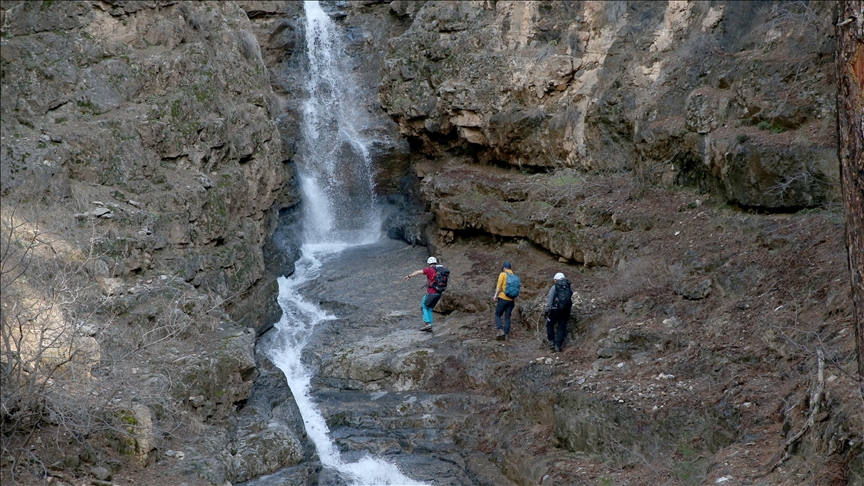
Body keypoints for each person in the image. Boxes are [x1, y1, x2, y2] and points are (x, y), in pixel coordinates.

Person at [403, 256, 448, 332]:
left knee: (423, 307)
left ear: (428, 263)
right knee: (429, 308)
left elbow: (418, 272)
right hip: (439, 293)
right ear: (435, 263)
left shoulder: (429, 270)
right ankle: (430, 325)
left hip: (431, 293)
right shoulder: (441, 270)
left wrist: (409, 276)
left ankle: (427, 324)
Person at [545, 272, 573, 352]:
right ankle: (558, 346)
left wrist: (547, 309)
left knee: (549, 324)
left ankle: (551, 342)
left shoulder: (555, 287)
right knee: (561, 328)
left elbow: (550, 299)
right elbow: (571, 295)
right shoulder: (568, 286)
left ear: (556, 280)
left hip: (555, 309)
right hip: (566, 310)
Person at [492, 262, 517, 340]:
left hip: (503, 298)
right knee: (507, 317)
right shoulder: (514, 276)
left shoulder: (503, 274)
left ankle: (500, 330)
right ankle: (506, 334)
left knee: (498, 314)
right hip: (511, 300)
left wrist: (495, 295)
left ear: (504, 268)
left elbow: (499, 285)